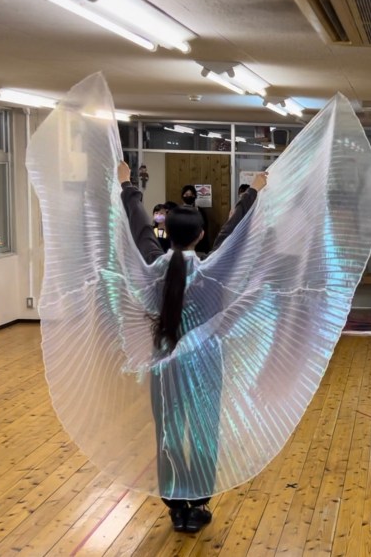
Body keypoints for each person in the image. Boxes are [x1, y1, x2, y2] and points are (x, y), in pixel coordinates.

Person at [119, 161, 268, 533]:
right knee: (203, 431)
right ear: (201, 236)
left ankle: (176, 506)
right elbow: (232, 235)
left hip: (164, 365)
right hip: (204, 366)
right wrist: (253, 193)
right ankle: (198, 504)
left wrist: (127, 186)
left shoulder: (153, 267)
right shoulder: (212, 272)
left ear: (166, 232)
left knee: (168, 432)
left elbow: (140, 228)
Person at [180, 184, 212, 254]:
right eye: (186, 194)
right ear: (182, 196)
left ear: (195, 196)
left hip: (199, 246)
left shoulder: (200, 211)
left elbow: (204, 228)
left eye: (191, 194)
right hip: (183, 246)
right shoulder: (178, 212)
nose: (189, 196)